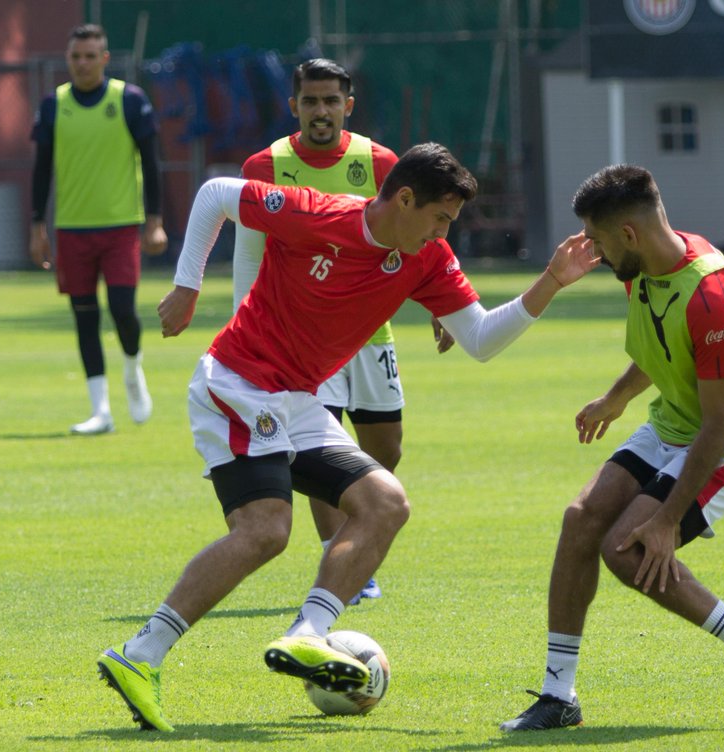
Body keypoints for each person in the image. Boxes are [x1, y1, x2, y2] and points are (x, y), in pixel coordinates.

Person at [95, 142, 599, 732]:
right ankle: (140, 654)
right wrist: (187, 287)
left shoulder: (428, 258)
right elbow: (214, 197)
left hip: (298, 400)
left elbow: (481, 339)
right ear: (404, 199)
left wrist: (551, 282)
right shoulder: (317, 212)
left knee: (385, 502)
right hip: (238, 383)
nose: (443, 233)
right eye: (440, 218)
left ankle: (308, 634)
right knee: (265, 532)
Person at [499, 165, 724, 733]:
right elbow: (662, 344)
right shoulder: (642, 265)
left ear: (627, 235)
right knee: (580, 520)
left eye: (596, 240)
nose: (591, 252)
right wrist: (615, 398)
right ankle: (557, 695)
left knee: (628, 549)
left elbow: (719, 424)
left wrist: (668, 519)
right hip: (674, 421)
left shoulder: (716, 297)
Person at [234, 58, 422, 605]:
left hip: (371, 333)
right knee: (325, 447)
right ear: (294, 106)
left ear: (349, 106)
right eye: (310, 101)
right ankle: (342, 559)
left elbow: (418, 235)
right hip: (303, 339)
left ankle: (355, 534)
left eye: (330, 101)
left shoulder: (380, 162)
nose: (321, 111)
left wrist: (441, 308)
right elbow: (251, 249)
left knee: (385, 446)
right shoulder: (266, 165)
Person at [30, 24, 167, 434]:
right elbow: (41, 171)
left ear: (105, 59)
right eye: (76, 57)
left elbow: (153, 163)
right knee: (84, 317)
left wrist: (155, 222)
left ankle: (132, 367)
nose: (83, 63)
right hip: (72, 229)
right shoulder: (53, 106)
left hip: (121, 226)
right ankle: (100, 411)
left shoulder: (129, 101)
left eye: (91, 56)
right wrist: (38, 226)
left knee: (123, 310)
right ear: (68, 60)